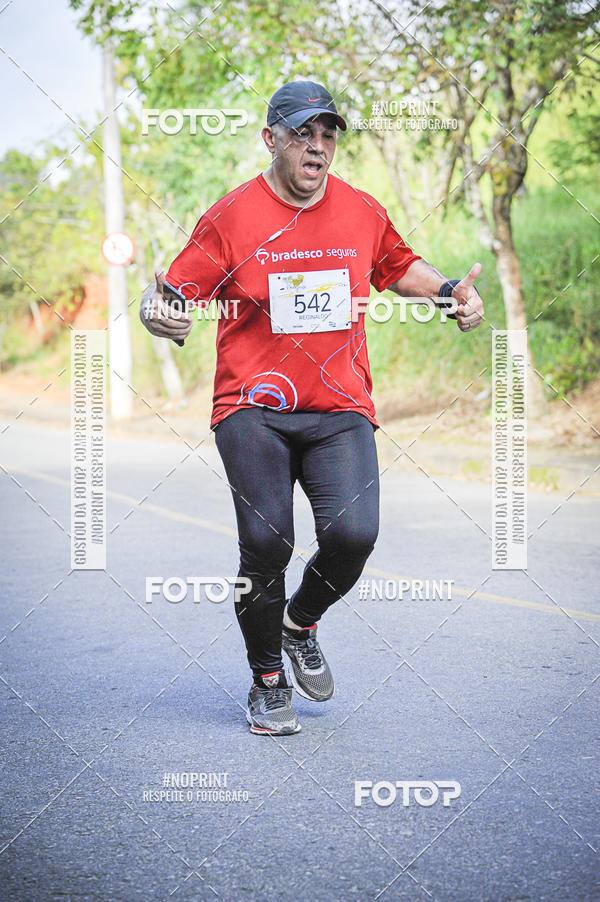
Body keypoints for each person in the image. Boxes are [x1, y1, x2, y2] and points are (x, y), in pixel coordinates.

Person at [140, 80, 484, 736]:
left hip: (339, 403)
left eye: (327, 134)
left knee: (354, 535)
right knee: (267, 541)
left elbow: (396, 263)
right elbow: (173, 297)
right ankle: (267, 681)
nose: (317, 145)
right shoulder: (233, 215)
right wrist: (160, 315)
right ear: (270, 140)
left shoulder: (359, 209)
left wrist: (447, 293)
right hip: (252, 405)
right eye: (302, 133)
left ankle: (300, 623)